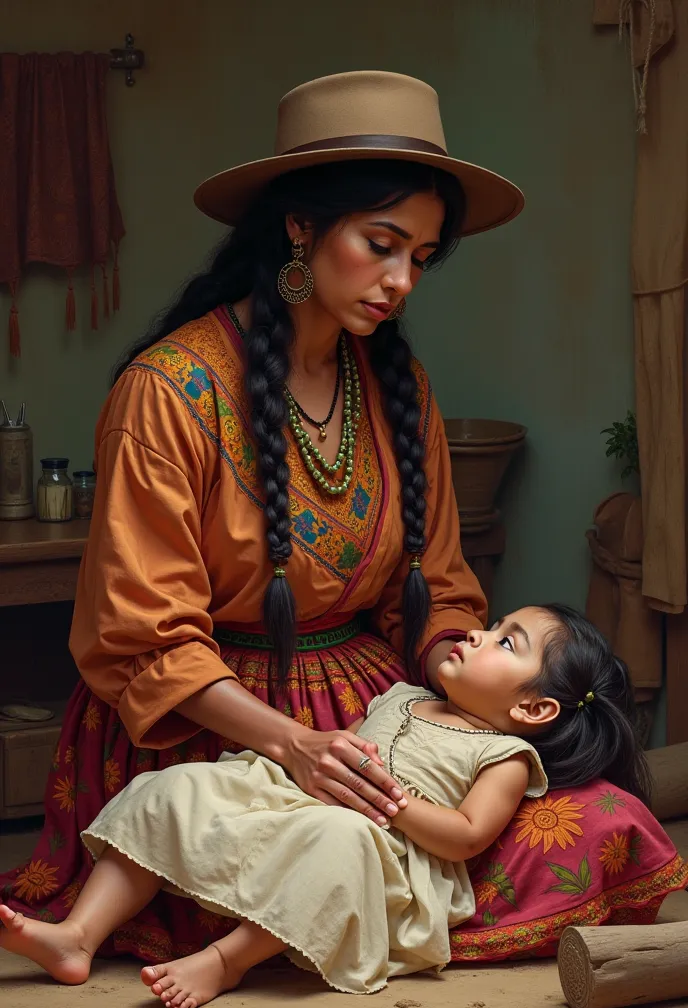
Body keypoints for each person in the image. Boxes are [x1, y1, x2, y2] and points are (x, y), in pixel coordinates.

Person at [0, 71, 524, 953]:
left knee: (570, 826)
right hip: (211, 731)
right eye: (381, 243)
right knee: (321, 872)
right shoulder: (167, 393)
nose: (401, 281)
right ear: (300, 226)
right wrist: (296, 746)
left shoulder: (398, 387)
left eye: (422, 258)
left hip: (366, 713)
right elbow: (145, 638)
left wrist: (460, 683)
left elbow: (434, 584)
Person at [0, 605, 651, 1008]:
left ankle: (226, 961)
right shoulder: (402, 692)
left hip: (389, 856)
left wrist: (393, 806)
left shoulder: (505, 754)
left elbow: (465, 837)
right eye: (494, 626)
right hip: (308, 800)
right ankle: (78, 936)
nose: (478, 633)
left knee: (338, 840)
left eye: (507, 643)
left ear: (532, 710)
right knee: (174, 788)